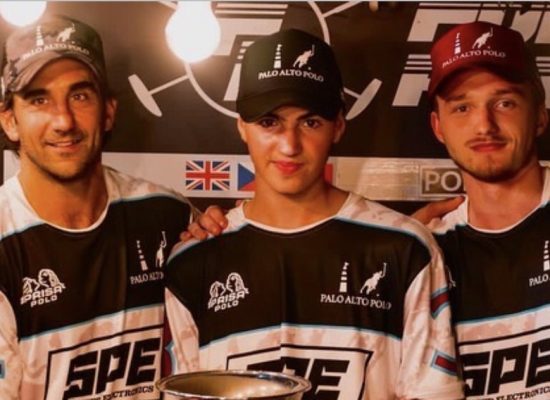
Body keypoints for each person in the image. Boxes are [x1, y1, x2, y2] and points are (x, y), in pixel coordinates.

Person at [164, 29, 464, 400]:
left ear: (338, 126)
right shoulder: (194, 261)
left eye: (310, 122)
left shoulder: (405, 248)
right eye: (269, 122)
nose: (289, 145)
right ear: (241, 126)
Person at [0, 15, 198, 399]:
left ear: (108, 111)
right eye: (39, 99)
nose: (63, 120)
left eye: (79, 96)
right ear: (10, 121)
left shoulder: (168, 216)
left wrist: (220, 237)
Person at [422, 21, 550, 399]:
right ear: (438, 127)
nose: (484, 125)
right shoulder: (421, 254)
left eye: (504, 103)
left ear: (540, 115)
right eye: (462, 107)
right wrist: (397, 255)